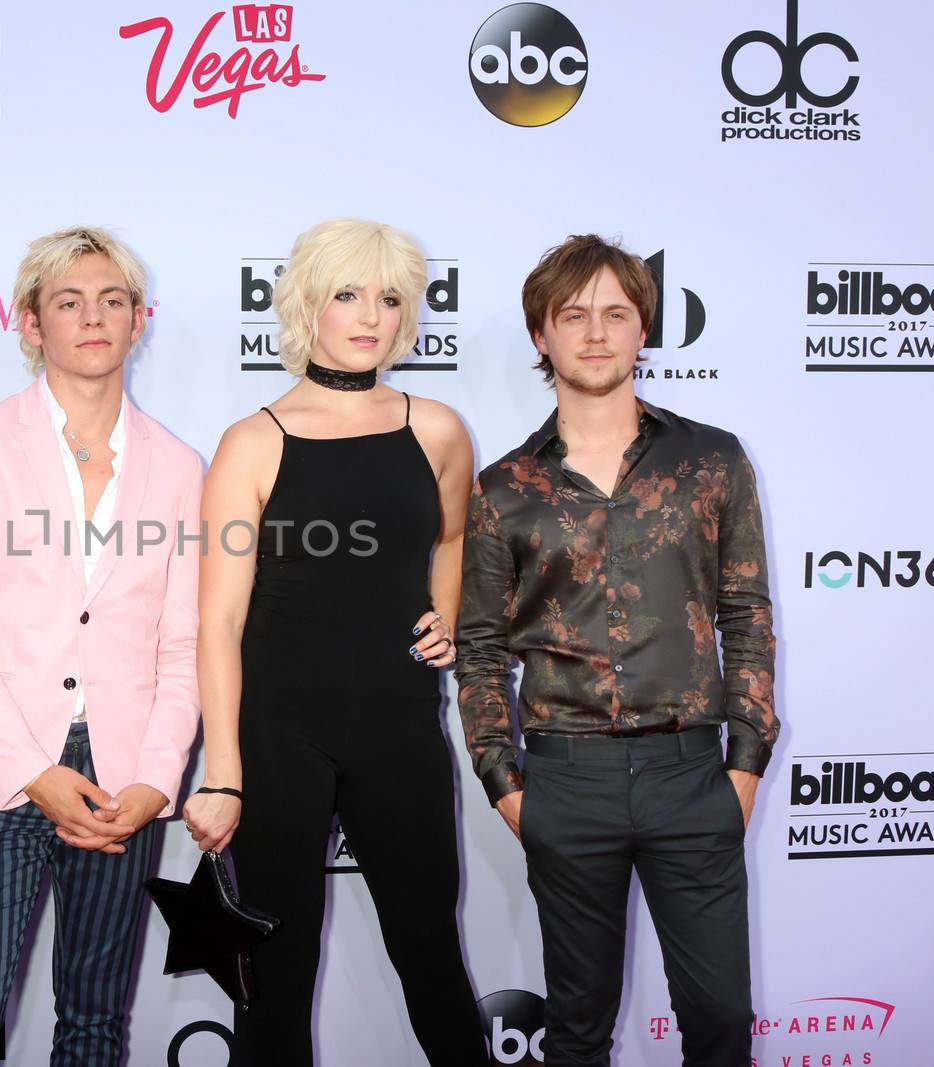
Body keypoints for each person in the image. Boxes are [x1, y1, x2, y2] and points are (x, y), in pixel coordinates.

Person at [456, 234, 778, 1066]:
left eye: (615, 314)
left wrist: (743, 767)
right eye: (573, 316)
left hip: (692, 776)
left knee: (719, 1025)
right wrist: (508, 786)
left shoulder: (711, 459)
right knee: (577, 1031)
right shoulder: (503, 489)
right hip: (565, 782)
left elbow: (745, 610)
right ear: (542, 336)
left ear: (644, 330)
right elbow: (481, 649)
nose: (595, 333)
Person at [184, 218, 488, 1065]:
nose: (369, 316)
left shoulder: (437, 429)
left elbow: (453, 537)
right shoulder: (253, 441)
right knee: (275, 971)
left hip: (399, 728)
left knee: (431, 951)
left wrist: (447, 613)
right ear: (308, 303)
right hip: (279, 737)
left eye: (389, 298)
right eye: (348, 294)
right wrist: (225, 770)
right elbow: (219, 620)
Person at [0, 226, 203, 1067]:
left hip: (123, 782)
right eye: (69, 302)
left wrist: (154, 778)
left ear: (139, 321)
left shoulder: (180, 467)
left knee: (93, 1024)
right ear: (31, 324)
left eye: (113, 301)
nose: (93, 318)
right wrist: (34, 771)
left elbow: (180, 645)